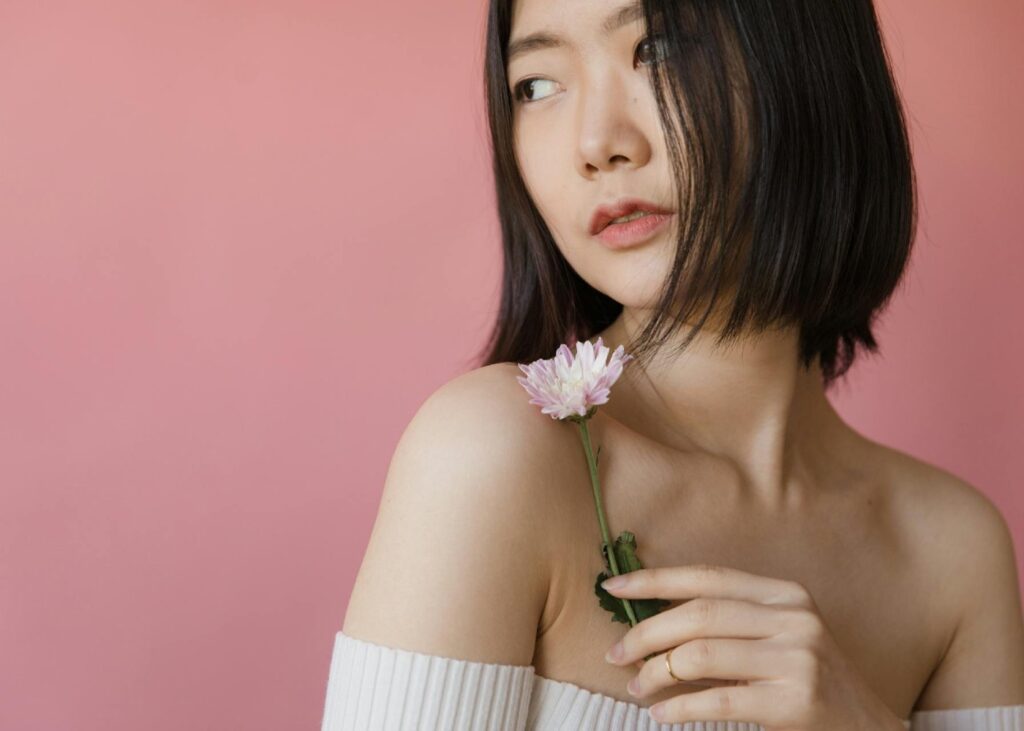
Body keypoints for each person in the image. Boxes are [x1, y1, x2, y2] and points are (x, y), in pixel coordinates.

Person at [322, 0, 1024, 728]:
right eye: (535, 85)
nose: (596, 142)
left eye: (658, 50)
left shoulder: (951, 555)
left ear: (808, 61)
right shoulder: (494, 455)